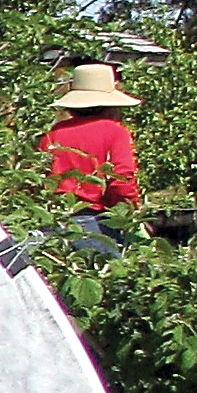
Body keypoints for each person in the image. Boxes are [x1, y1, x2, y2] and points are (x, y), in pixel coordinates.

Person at [36, 63, 142, 258]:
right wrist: (132, 211)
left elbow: (38, 178)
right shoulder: (115, 132)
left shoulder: (52, 135)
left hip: (53, 219)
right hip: (93, 222)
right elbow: (122, 179)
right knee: (110, 279)